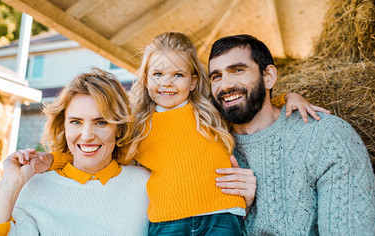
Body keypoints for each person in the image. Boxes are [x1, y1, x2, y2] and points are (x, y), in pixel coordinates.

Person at [44, 32, 325, 235]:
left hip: (222, 216)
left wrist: (290, 96)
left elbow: (251, 102)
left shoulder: (211, 111)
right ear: (145, 78)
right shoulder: (136, 124)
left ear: (193, 81)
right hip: (169, 222)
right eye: (158, 75)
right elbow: (94, 150)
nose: (166, 83)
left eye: (177, 75)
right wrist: (48, 162)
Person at [209, 34, 375, 235]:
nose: (225, 85)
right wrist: (240, 214)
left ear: (269, 76)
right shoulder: (210, 147)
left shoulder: (326, 137)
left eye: (237, 70)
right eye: (216, 76)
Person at [0, 69, 150, 235]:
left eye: (101, 122)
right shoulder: (35, 188)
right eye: (76, 122)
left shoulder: (144, 184)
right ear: (63, 127)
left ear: (119, 129)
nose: (87, 136)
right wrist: (9, 184)